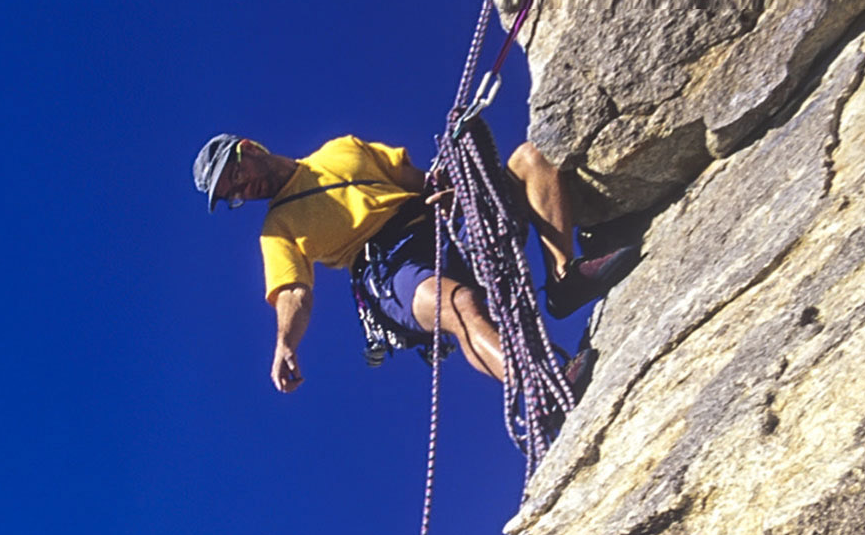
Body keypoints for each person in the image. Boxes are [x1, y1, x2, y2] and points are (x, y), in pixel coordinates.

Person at [192, 130, 637, 395]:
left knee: (530, 160)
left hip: (436, 221)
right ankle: (543, 386)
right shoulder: (277, 228)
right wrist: (285, 343)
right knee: (458, 305)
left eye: (235, 179)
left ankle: (564, 277)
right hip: (387, 266)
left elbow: (418, 180)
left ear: (247, 149)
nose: (242, 193)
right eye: (233, 196)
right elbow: (292, 290)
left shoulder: (342, 149)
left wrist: (447, 193)